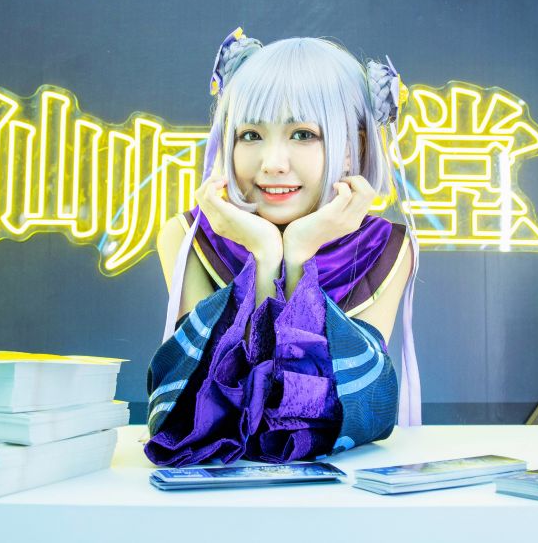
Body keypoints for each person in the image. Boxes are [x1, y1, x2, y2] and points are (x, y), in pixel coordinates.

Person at [144, 29, 420, 466]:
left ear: (356, 147)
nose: (272, 162)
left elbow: (349, 415)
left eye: (303, 134)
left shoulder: (385, 249)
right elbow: (197, 419)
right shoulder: (187, 239)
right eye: (251, 135)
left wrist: (298, 257)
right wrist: (264, 255)